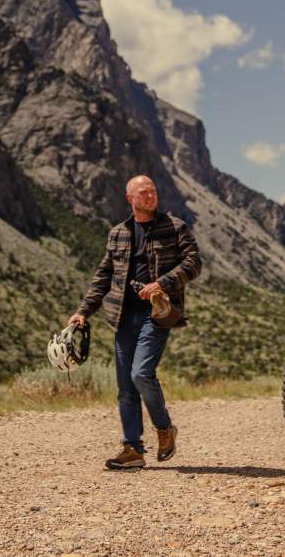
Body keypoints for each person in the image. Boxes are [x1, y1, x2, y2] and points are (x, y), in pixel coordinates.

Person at [68, 174, 202, 469]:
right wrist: (82, 311)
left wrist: (162, 283)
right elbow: (104, 276)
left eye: (153, 191)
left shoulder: (175, 227)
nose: (150, 196)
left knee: (141, 374)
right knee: (126, 387)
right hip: (122, 316)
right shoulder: (118, 233)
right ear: (130, 198)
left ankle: (164, 428)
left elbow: (194, 263)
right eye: (144, 192)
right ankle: (133, 450)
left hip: (158, 313)